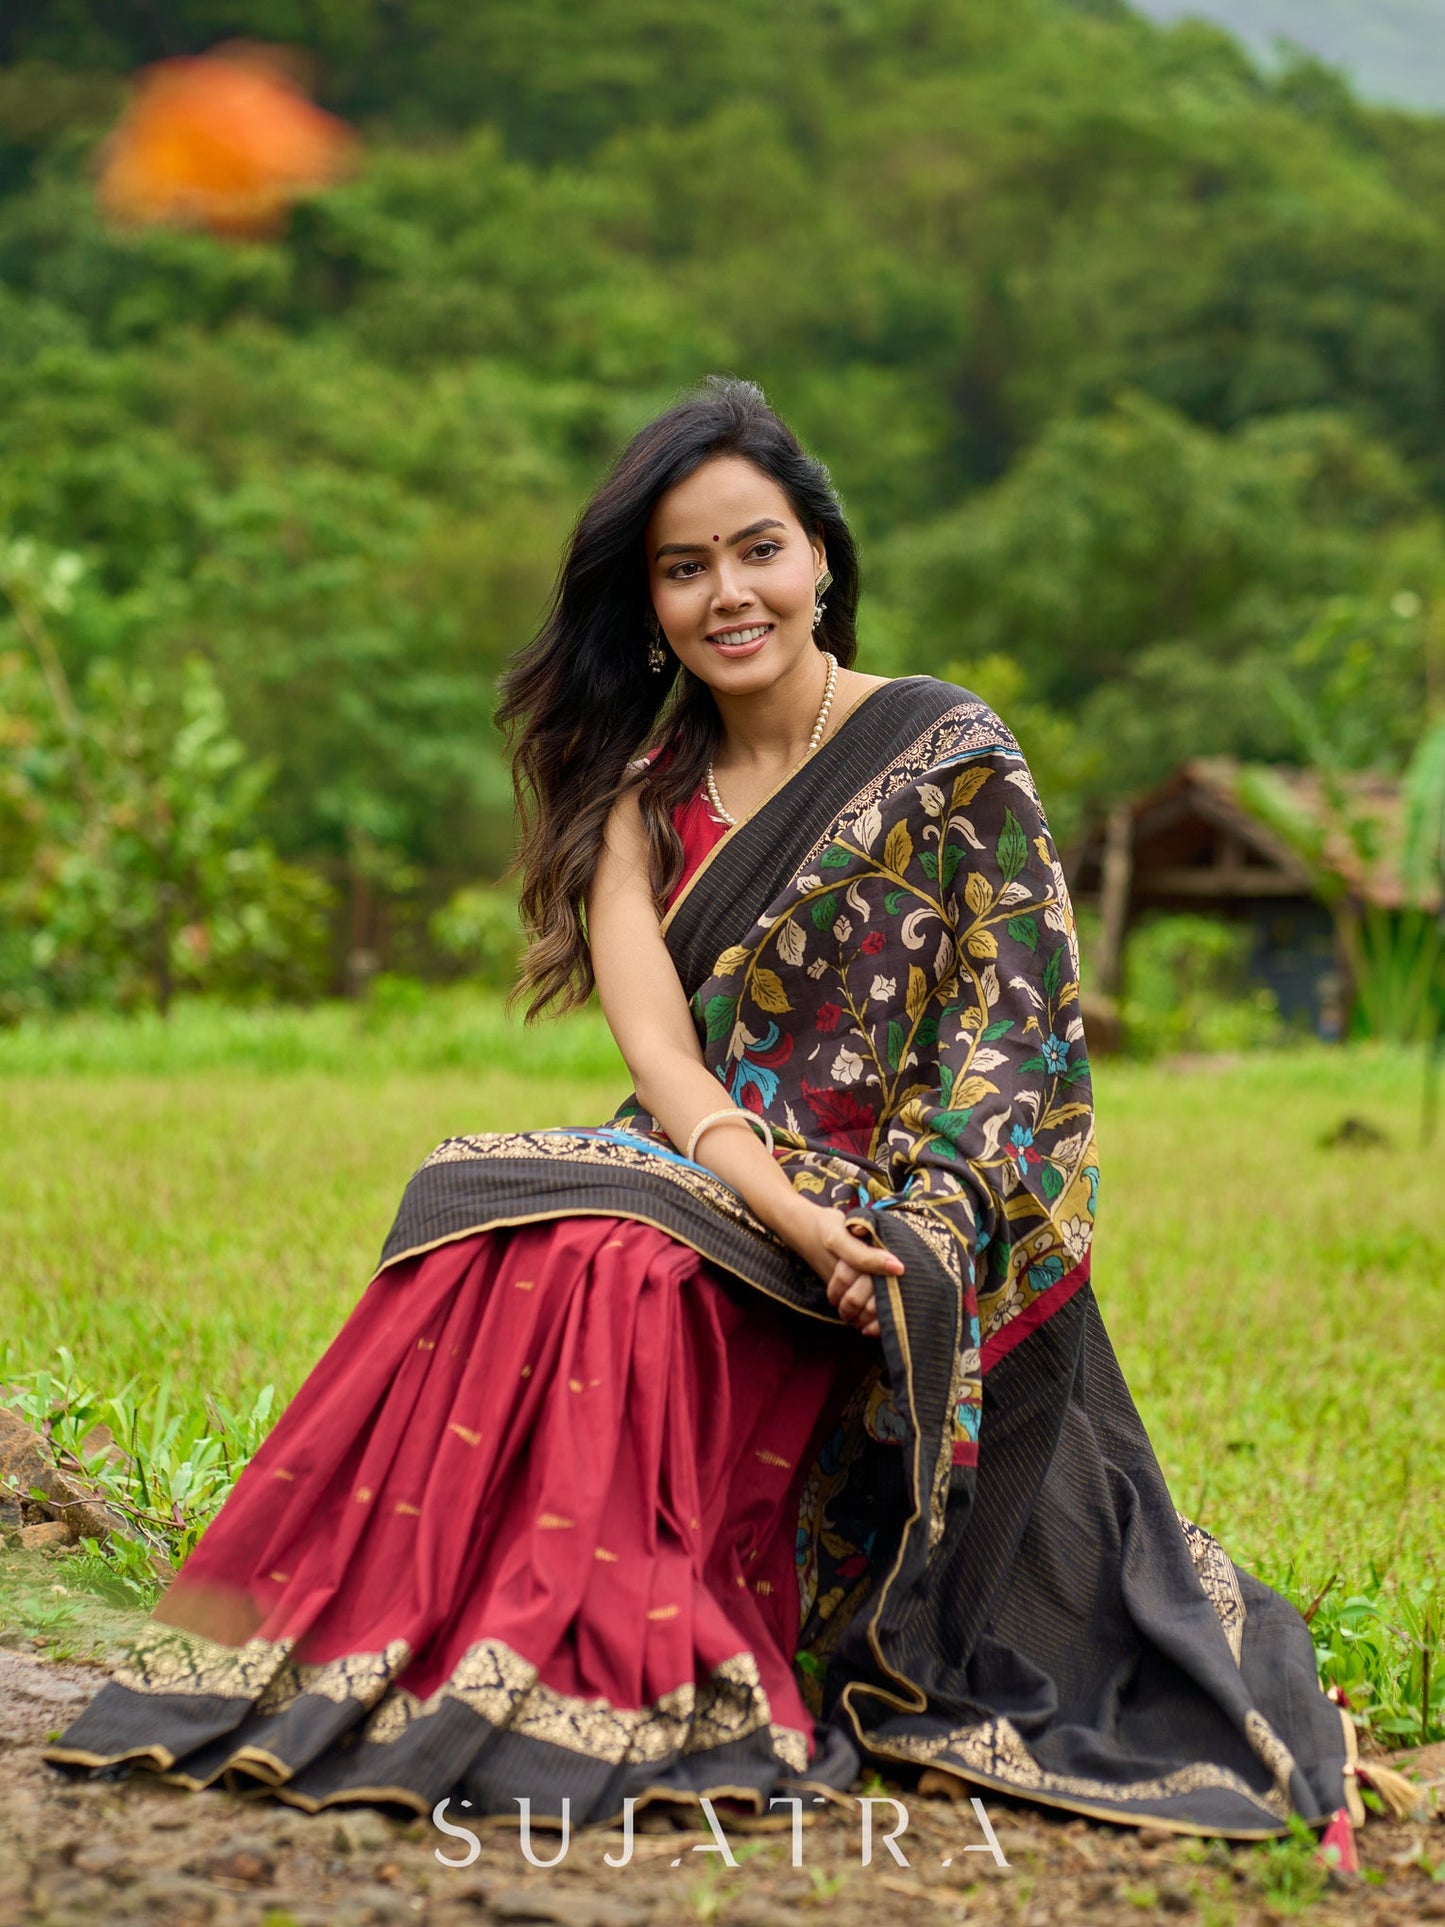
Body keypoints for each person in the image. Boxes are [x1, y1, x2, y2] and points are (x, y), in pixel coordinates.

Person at [47, 378, 1354, 1841]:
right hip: (706, 1160)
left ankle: (612, 1647)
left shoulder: (945, 750)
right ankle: (432, 1643)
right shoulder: (640, 790)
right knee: (487, 1216)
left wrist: (908, 1228)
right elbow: (661, 1053)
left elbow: (1017, 1042)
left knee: (618, 1258)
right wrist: (773, 1202)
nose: (726, 593)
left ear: (818, 562)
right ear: (649, 599)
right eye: (683, 568)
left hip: (901, 1203)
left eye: (756, 550)